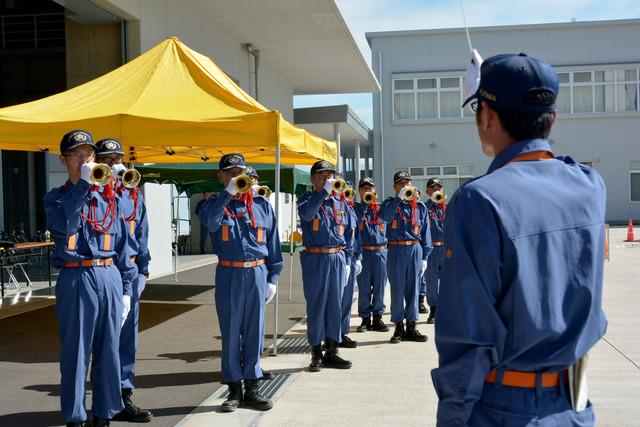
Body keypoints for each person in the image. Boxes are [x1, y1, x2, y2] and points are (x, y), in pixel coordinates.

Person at [431, 53, 607, 426]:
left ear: (489, 116)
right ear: (552, 118)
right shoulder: (591, 187)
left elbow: (467, 338)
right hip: (574, 403)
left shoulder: (479, 200)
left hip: (504, 407)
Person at [44, 130, 136, 427]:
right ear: (64, 160)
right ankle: (75, 417)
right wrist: (84, 182)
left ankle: (104, 413)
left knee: (109, 349)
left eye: (89, 155)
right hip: (77, 275)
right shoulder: (56, 198)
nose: (85, 160)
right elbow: (65, 224)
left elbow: (124, 246)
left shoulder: (109, 198)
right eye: (78, 155)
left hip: (108, 273)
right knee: (76, 351)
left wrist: (125, 289)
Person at [198, 153, 283, 412]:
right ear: (221, 176)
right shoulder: (213, 205)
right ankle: (234, 388)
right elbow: (210, 222)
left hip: (257, 273)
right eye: (230, 172)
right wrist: (227, 194)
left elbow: (273, 244)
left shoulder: (262, 204)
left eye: (240, 171)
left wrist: (273, 277)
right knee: (232, 332)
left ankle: (252, 388)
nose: (236, 176)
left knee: (255, 331)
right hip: (229, 273)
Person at [95, 138, 153, 423]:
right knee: (105, 340)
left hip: (129, 274)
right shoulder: (95, 193)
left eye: (117, 159)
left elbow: (141, 231)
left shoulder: (132, 194)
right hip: (105, 272)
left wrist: (144, 269)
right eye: (107, 160)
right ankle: (102, 404)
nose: (114, 165)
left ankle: (123, 397)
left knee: (127, 340)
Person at [297, 160, 354, 371]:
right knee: (316, 305)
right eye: (322, 176)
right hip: (316, 258)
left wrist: (348, 260)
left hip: (337, 257)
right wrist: (323, 194)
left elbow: (349, 233)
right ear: (313, 179)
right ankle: (316, 352)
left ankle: (332, 350)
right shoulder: (306, 199)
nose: (327, 179)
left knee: (335, 305)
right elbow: (307, 214)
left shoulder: (341, 203)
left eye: (330, 175)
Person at [379, 171, 432, 344]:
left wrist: (425, 257)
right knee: (397, 289)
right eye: (401, 184)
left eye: (407, 183)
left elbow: (425, 233)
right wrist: (398, 200)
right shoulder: (389, 203)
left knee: (414, 289)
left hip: (414, 249)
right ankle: (398, 327)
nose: (405, 186)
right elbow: (384, 217)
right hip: (396, 249)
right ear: (394, 187)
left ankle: (412, 326)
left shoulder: (421, 207)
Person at [353, 177, 389, 333]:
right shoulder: (355, 209)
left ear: (375, 190)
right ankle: (365, 319)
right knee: (364, 287)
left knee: (380, 286)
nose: (367, 190)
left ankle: (378, 318)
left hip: (381, 251)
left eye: (370, 187)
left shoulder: (382, 208)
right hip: (364, 252)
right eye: (364, 188)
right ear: (359, 191)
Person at [335, 173, 360, 349]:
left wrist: (357, 257)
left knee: (346, 299)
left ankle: (342, 333)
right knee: (333, 300)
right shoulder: (328, 205)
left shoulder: (349, 209)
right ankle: (330, 335)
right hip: (336, 257)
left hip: (349, 258)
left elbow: (354, 235)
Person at [420, 177, 446, 324]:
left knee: (447, 281)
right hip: (432, 249)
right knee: (431, 281)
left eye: (439, 187)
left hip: (446, 248)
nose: (436, 190)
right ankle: (434, 308)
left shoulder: (447, 207)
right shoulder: (424, 208)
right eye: (433, 188)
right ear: (427, 191)